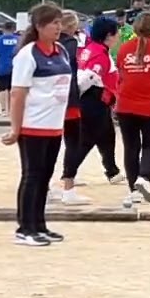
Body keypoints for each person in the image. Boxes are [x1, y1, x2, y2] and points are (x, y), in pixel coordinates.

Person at [2, 2, 70, 247]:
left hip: (54, 126)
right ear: (39, 26)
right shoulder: (28, 54)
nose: (58, 27)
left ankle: (39, 224)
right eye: (53, 23)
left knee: (45, 177)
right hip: (33, 126)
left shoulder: (61, 50)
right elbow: (17, 94)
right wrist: (15, 128)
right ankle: (25, 228)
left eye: (60, 23)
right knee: (31, 176)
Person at [115, 12, 150, 207]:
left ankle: (133, 190)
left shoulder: (124, 48)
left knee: (131, 147)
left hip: (126, 104)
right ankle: (144, 177)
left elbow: (121, 71)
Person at [67, 17, 124, 193]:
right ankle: (68, 175)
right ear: (109, 35)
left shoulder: (92, 48)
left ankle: (112, 171)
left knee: (107, 136)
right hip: (94, 101)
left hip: (98, 101)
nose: (118, 36)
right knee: (87, 140)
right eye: (116, 33)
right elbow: (87, 78)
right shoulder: (99, 53)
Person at [55, 11, 91, 207]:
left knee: (50, 144)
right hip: (68, 98)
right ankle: (68, 187)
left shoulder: (47, 43)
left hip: (51, 99)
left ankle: (48, 186)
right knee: (73, 142)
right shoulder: (69, 42)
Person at [0, 21, 19, 115]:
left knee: (2, 88)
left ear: (3, 29)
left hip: (2, 65)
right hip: (15, 66)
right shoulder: (18, 39)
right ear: (13, 29)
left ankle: (3, 110)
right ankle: (11, 109)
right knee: (12, 88)